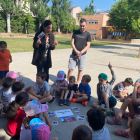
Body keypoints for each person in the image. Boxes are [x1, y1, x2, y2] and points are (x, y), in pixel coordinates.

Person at [67, 18, 91, 84]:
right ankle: (69, 83)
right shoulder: (75, 32)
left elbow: (88, 45)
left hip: (82, 55)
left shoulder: (88, 34)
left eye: (83, 26)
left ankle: (77, 83)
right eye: (81, 25)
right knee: (70, 69)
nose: (82, 27)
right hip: (74, 54)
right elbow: (72, 43)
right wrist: (76, 51)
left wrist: (81, 52)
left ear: (86, 25)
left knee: (80, 70)